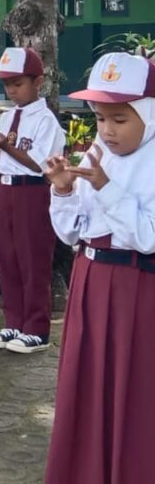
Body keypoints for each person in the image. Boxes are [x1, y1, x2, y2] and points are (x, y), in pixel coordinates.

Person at [43, 52, 155, 484]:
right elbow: (73, 233)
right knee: (86, 383)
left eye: (120, 119)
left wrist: (106, 188)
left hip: (135, 287)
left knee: (133, 388)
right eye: (100, 118)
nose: (107, 130)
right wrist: (63, 191)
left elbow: (147, 237)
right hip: (88, 281)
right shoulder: (96, 153)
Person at [0, 47, 65, 354]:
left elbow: (38, 164)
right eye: (7, 83)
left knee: (32, 258)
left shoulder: (46, 120)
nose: (11, 90)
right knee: (7, 256)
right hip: (5, 189)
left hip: (32, 191)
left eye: (18, 83)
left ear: (38, 82)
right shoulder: (6, 116)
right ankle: (13, 321)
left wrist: (4, 145)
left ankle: (36, 328)